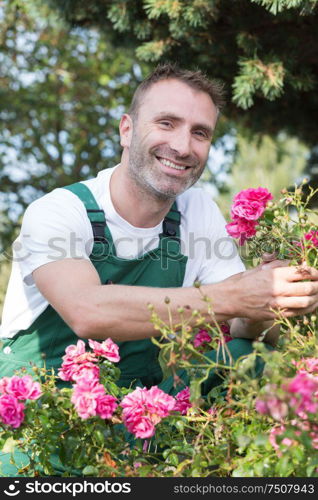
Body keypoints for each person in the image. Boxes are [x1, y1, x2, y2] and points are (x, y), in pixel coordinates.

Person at [0, 64, 317, 475]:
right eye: (166, 123)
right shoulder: (60, 211)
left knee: (248, 357)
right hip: (41, 427)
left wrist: (280, 297)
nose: (183, 146)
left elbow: (241, 324)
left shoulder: (195, 209)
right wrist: (238, 295)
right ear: (127, 130)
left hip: (138, 418)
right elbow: (87, 311)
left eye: (200, 133)